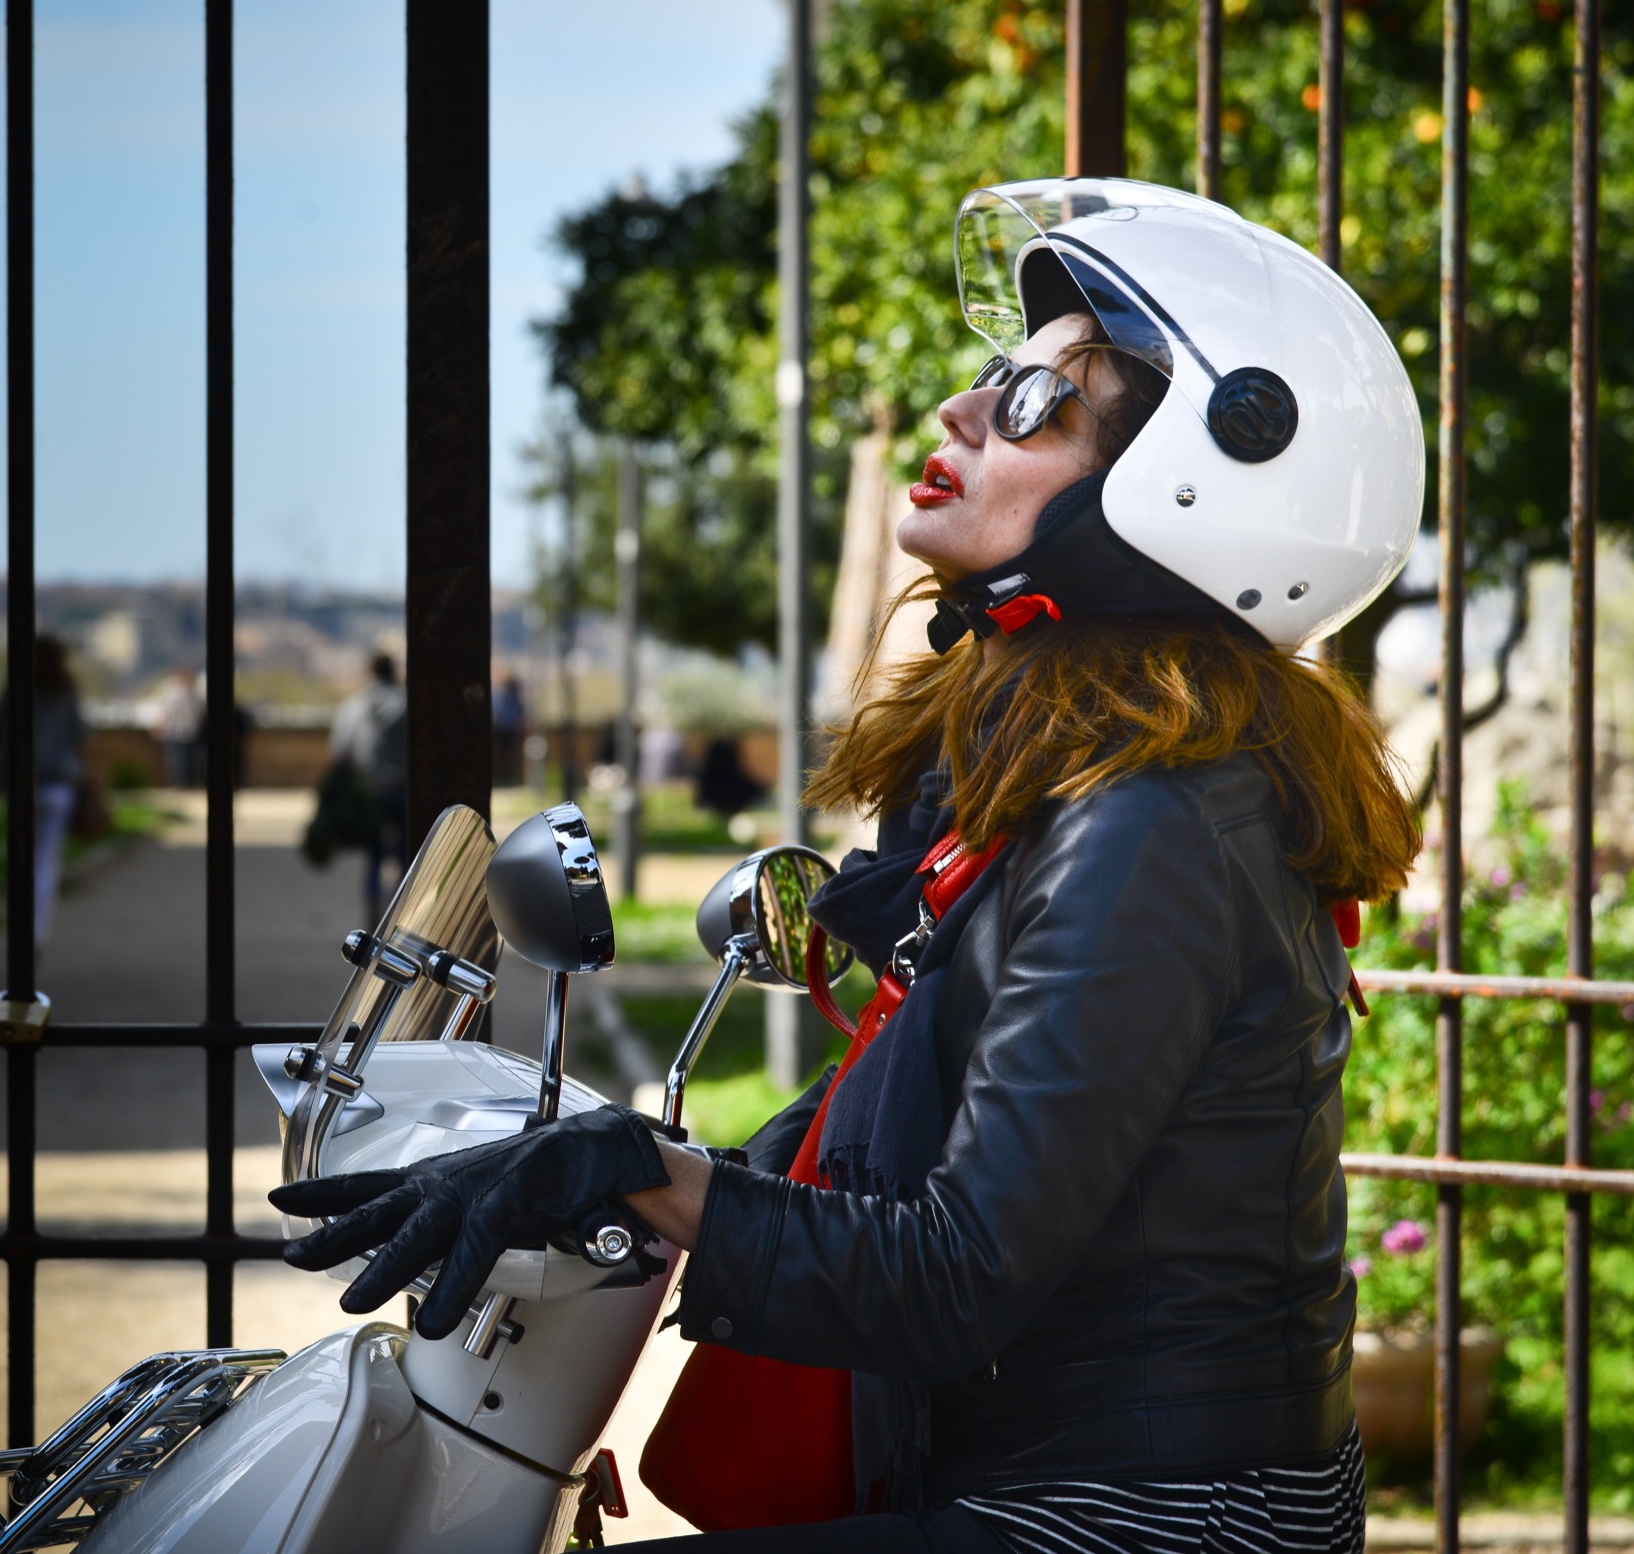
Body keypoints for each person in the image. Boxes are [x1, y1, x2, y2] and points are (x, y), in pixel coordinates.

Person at [272, 179, 1426, 1550]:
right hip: (1041, 1467)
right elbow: (924, 1146)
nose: (958, 411)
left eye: (1033, 401)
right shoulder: (1080, 783)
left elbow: (958, 1271)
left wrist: (641, 1174)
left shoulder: (1155, 820)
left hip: (1149, 1513)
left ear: (1185, 492)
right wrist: (642, 1168)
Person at [0, 633, 89, 954]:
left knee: (22, 861)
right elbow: (80, 737)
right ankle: (36, 932)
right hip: (57, 785)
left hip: (21, 785)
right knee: (45, 861)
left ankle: (23, 929)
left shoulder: (17, 690)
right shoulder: (65, 690)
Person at [328, 651, 408, 917]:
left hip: (369, 792)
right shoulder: (408, 704)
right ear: (393, 672)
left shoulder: (354, 706)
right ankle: (401, 910)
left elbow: (340, 751)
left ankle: (374, 904)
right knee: (408, 856)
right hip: (404, 790)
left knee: (374, 855)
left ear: (370, 672)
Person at [148, 664, 205, 789]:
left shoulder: (194, 694)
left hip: (191, 732)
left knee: (190, 761)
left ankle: (188, 784)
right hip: (176, 732)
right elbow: (165, 711)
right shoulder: (172, 694)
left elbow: (199, 713)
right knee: (179, 761)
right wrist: (159, 726)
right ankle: (179, 784)